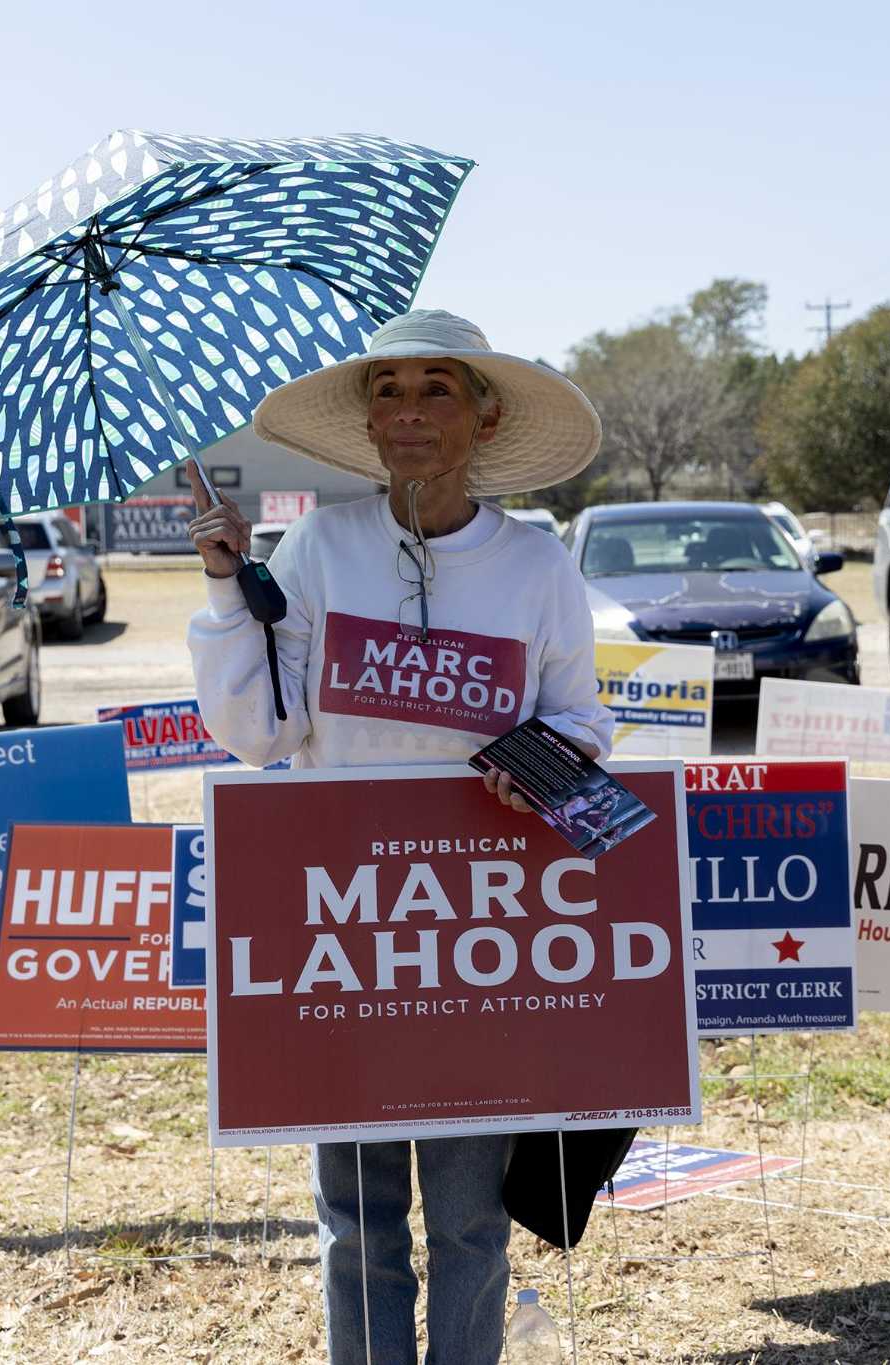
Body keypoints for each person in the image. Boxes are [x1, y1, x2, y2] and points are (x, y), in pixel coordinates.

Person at [186, 309, 613, 1365]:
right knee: (356, 1222)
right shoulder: (321, 545)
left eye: (435, 388)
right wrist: (223, 592)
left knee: (470, 1218)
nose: (409, 412)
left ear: (483, 415)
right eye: (387, 389)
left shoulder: (535, 564)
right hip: (343, 934)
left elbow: (582, 723)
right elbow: (261, 731)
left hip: (480, 941)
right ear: (365, 421)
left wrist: (541, 771)